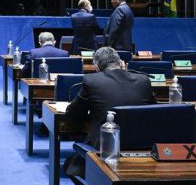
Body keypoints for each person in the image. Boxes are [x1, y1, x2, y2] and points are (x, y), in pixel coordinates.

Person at [64, 47, 156, 177]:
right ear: (122, 63)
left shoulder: (92, 80)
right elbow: (153, 112)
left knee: (69, 165)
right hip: (141, 147)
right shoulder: (144, 80)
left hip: (104, 148)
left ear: (96, 67)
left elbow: (73, 113)